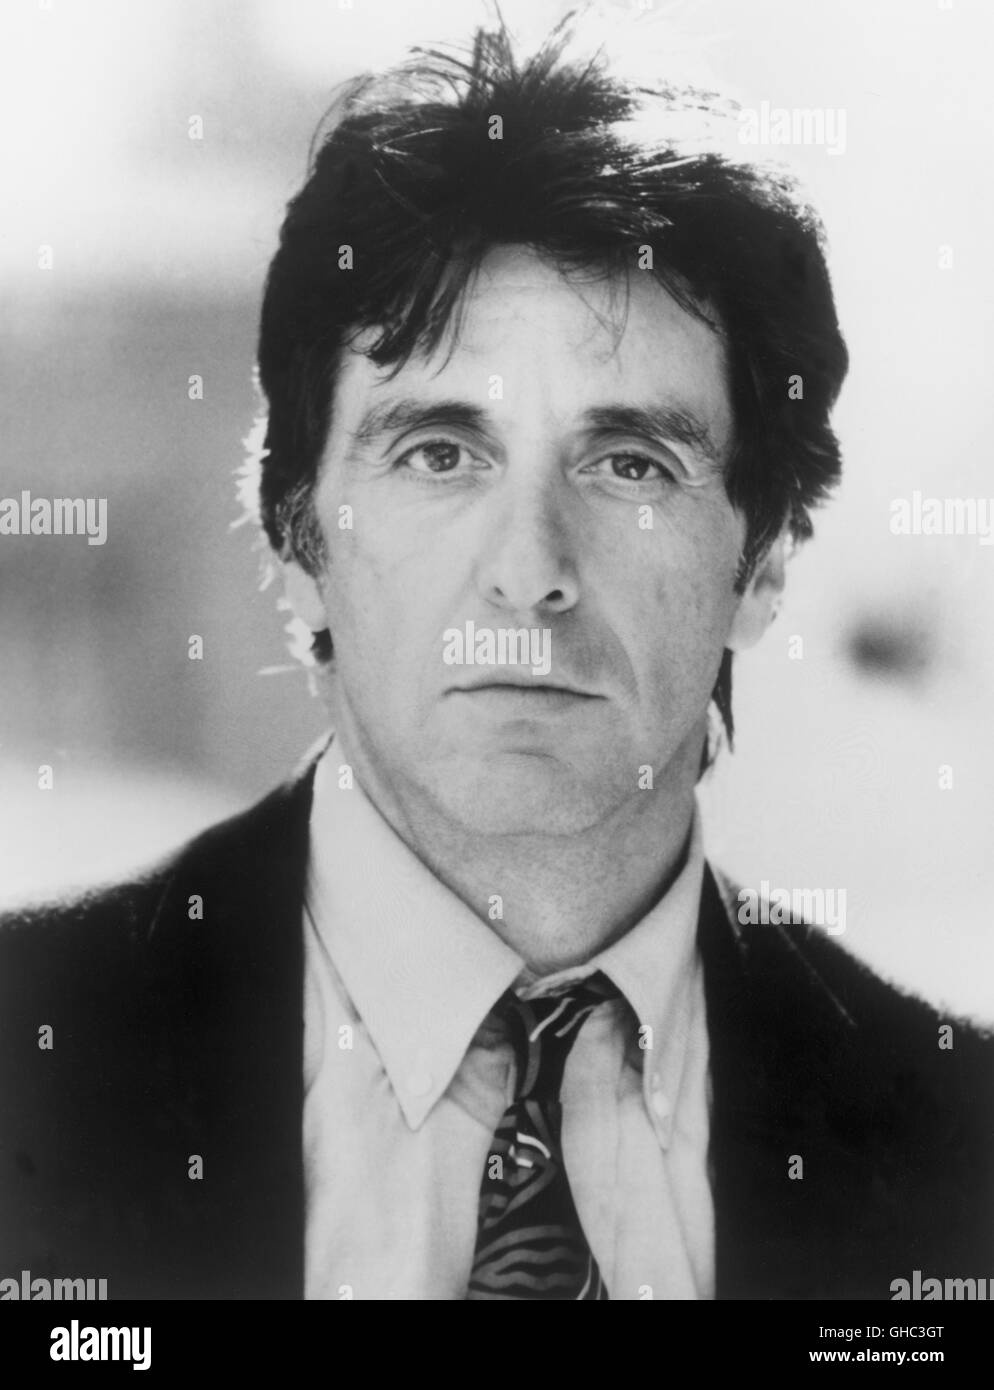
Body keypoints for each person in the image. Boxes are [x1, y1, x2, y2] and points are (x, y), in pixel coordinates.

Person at [1, 19, 991, 1302]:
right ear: (295, 536)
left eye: (628, 463)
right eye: (439, 454)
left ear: (762, 567)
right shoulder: (29, 1057)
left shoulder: (964, 1146)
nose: (529, 569)